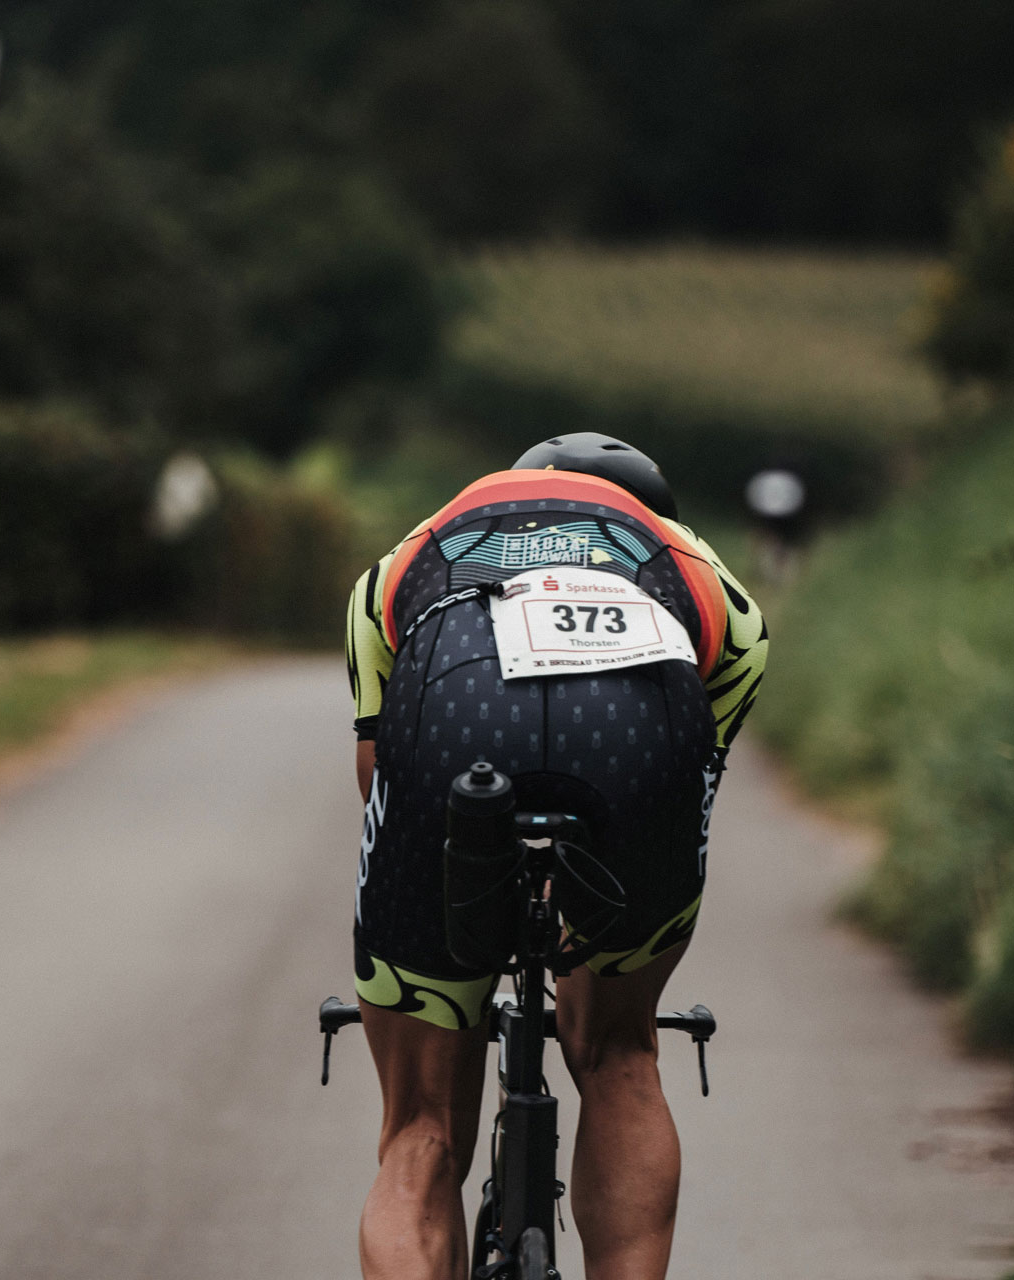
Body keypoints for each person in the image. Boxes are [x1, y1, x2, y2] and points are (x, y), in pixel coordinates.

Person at [345, 433, 767, 1280]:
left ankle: (426, 1128)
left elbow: (378, 771)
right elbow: (690, 781)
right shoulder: (707, 576)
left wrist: (462, 904)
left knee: (422, 1125)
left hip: (457, 713)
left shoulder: (408, 552)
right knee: (620, 1054)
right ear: (657, 515)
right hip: (632, 735)